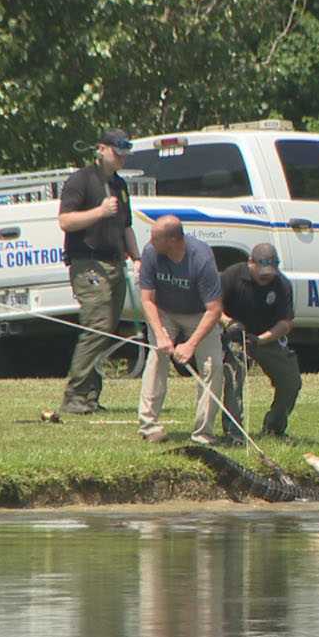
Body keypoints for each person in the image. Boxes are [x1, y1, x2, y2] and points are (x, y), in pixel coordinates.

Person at [57, 128, 139, 415]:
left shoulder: (119, 185)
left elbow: (126, 225)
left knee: (107, 330)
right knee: (97, 325)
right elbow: (65, 221)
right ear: (101, 149)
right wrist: (99, 212)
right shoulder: (80, 180)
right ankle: (75, 396)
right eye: (117, 153)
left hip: (115, 262)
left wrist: (136, 257)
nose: (121, 159)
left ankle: (90, 396)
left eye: (125, 154)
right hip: (87, 263)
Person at [136, 215, 224, 444]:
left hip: (199, 314)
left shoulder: (202, 259)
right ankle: (149, 426)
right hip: (164, 311)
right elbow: (147, 300)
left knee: (212, 365)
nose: (150, 241)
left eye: (155, 238)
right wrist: (161, 334)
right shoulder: (150, 253)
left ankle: (203, 432)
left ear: (174, 240)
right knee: (156, 358)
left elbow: (214, 310)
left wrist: (190, 344)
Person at [219, 242, 300, 439]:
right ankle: (233, 432)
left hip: (266, 338)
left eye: (271, 270)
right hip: (235, 337)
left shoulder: (282, 284)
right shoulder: (232, 275)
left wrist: (261, 340)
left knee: (291, 381)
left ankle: (274, 427)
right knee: (234, 378)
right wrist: (229, 324)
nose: (266, 275)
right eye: (262, 270)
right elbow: (213, 307)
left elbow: (286, 323)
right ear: (250, 263)